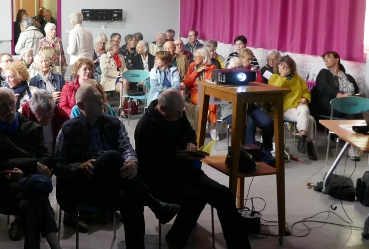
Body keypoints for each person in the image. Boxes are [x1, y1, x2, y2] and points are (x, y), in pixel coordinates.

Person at [54, 84, 181, 249]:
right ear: (81, 106)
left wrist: (132, 162)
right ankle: (155, 205)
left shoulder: (114, 123)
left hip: (112, 184)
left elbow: (126, 148)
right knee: (111, 156)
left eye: (102, 99)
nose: (102, 103)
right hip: (83, 185)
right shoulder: (68, 129)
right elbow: (57, 166)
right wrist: (78, 166)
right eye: (96, 100)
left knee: (133, 199)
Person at [135, 89, 251, 249]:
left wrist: (191, 144)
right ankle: (175, 239)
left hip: (186, 171)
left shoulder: (175, 113)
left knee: (223, 194)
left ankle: (240, 246)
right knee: (195, 198)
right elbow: (149, 165)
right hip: (160, 179)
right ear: (162, 109)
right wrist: (177, 157)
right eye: (177, 114)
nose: (181, 116)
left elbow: (189, 132)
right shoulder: (145, 127)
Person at [0, 88, 60, 248]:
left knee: (30, 202)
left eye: (11, 103)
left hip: (28, 185)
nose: (9, 109)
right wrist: (31, 165)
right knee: (39, 190)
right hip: (4, 186)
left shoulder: (32, 128)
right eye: (3, 106)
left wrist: (23, 172)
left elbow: (45, 157)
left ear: (15, 102)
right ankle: (55, 245)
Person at [220, 49, 276, 166]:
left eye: (240, 67)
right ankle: (248, 156)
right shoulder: (225, 77)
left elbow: (259, 84)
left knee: (267, 122)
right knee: (249, 124)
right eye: (235, 68)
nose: (238, 70)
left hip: (249, 106)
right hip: (231, 109)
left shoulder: (248, 74)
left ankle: (266, 152)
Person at [315, 51, 362, 161]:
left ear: (337, 59)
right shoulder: (324, 73)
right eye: (324, 58)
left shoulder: (348, 77)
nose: (326, 60)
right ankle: (352, 146)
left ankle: (355, 143)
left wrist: (356, 97)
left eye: (329, 57)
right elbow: (323, 87)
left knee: (359, 112)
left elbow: (357, 91)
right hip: (330, 105)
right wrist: (340, 96)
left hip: (348, 105)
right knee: (353, 112)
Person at [269, 55, 317, 160]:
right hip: (284, 108)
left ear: (291, 68)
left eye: (286, 66)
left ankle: (302, 137)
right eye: (281, 66)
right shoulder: (274, 77)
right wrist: (282, 77)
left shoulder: (297, 77)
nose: (283, 68)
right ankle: (308, 144)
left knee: (304, 109)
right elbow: (273, 91)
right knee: (310, 119)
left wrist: (305, 98)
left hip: (299, 106)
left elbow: (306, 91)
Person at [21, 88, 70, 154]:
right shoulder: (26, 112)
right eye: (42, 117)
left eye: (50, 115)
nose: (47, 120)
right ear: (33, 112)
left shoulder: (61, 115)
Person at [184, 48, 218, 139]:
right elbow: (187, 82)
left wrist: (206, 81)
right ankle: (213, 128)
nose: (194, 59)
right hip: (195, 93)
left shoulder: (212, 68)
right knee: (211, 101)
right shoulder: (192, 66)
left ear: (204, 58)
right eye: (194, 57)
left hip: (209, 92)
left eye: (197, 57)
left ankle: (207, 121)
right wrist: (196, 72)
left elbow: (212, 83)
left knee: (212, 100)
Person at [100, 43, 129, 116]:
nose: (119, 47)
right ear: (111, 47)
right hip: (108, 80)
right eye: (117, 45)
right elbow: (105, 71)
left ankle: (121, 108)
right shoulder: (104, 57)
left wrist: (124, 73)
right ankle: (121, 110)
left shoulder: (120, 56)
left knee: (125, 82)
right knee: (125, 85)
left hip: (121, 79)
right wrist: (119, 74)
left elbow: (125, 68)